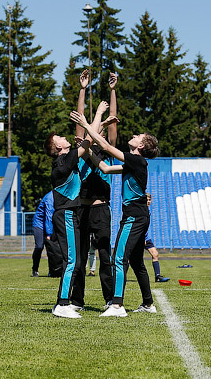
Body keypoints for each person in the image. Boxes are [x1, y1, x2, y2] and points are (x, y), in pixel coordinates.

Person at [71, 105, 160, 317]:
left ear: (142, 145)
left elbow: (106, 145)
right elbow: (105, 168)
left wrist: (86, 125)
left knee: (118, 258)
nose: (135, 135)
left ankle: (117, 305)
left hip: (134, 217)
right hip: (139, 216)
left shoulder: (137, 160)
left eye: (139, 136)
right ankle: (148, 304)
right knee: (137, 262)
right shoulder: (135, 162)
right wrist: (89, 151)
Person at [44, 102, 106, 319]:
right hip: (67, 214)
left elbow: (89, 142)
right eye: (59, 137)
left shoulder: (64, 159)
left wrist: (97, 123)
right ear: (58, 147)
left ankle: (65, 301)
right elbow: (89, 140)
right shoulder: (65, 159)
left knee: (76, 261)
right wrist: (97, 114)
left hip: (69, 214)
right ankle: (62, 304)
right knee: (72, 261)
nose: (63, 137)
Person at [75, 70, 118, 307]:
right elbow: (80, 116)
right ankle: (77, 300)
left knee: (104, 256)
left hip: (101, 209)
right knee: (79, 259)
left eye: (100, 128)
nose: (99, 129)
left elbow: (113, 117)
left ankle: (110, 300)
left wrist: (112, 91)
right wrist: (83, 89)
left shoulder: (108, 149)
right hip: (81, 208)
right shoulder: (82, 145)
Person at [32, 190, 62, 277]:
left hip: (50, 224)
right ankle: (35, 269)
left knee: (52, 248)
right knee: (39, 246)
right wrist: (49, 234)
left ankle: (52, 271)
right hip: (39, 224)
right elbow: (49, 216)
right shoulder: (50, 197)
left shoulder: (59, 196)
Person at [144, 193, 170, 283]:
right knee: (129, 258)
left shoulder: (147, 210)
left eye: (149, 200)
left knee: (155, 254)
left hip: (145, 237)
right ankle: (121, 277)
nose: (148, 201)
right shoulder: (141, 210)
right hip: (138, 237)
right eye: (146, 200)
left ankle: (157, 276)